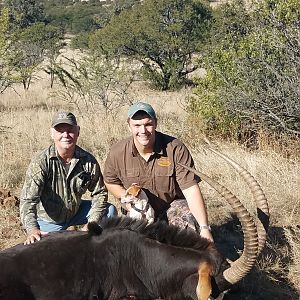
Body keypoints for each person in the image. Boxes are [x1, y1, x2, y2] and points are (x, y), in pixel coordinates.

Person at [103, 102, 213, 242]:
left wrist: (205, 228)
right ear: (129, 125)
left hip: (170, 208)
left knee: (186, 217)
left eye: (148, 124)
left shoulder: (175, 148)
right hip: (137, 211)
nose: (143, 131)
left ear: (155, 123)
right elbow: (110, 182)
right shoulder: (117, 152)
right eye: (137, 125)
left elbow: (191, 190)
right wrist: (127, 197)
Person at [20, 111, 117, 245]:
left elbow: (100, 193)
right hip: (50, 220)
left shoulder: (88, 161)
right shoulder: (41, 162)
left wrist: (92, 222)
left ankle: (98, 248)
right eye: (60, 131)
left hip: (76, 211)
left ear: (78, 132)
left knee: (110, 211)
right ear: (52, 134)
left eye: (70, 130)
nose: (65, 135)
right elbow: (28, 200)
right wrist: (32, 229)